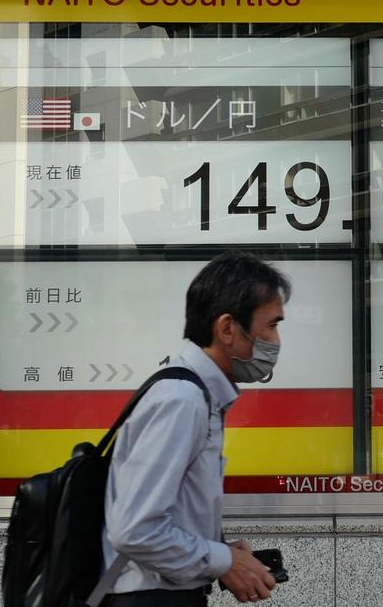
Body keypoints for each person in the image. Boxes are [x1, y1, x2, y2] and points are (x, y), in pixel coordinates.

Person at [100, 252, 290, 606]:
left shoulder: (197, 395)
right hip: (149, 599)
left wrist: (220, 553)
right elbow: (135, 530)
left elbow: (166, 515)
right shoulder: (182, 400)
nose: (276, 342)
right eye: (271, 326)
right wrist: (223, 561)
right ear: (228, 329)